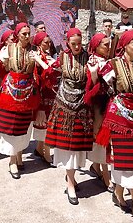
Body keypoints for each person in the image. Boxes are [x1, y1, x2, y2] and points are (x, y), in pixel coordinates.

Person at [95, 31, 133, 223]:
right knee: (129, 160)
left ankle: (118, 192)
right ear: (125, 45)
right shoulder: (112, 65)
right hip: (120, 117)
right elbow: (101, 88)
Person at [43, 28, 93, 205]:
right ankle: (70, 183)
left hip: (82, 107)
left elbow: (93, 80)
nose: (78, 47)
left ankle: (70, 177)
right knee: (68, 147)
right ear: (67, 43)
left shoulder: (89, 57)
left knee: (77, 146)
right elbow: (50, 74)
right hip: (64, 106)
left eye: (80, 43)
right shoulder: (62, 58)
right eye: (74, 44)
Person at [0, 22, 39, 179]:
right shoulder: (8, 49)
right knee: (12, 125)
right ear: (17, 35)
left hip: (28, 92)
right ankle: (12, 160)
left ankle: (20, 154)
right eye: (24, 34)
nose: (28, 36)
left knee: (24, 126)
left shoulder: (34, 50)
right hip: (11, 92)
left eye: (29, 33)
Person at [84, 32, 114, 193]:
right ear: (96, 46)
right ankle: (105, 175)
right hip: (98, 105)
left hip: (105, 103)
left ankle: (96, 166)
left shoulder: (105, 61)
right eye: (105, 45)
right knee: (102, 138)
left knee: (102, 139)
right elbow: (95, 84)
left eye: (110, 45)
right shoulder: (95, 61)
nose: (109, 48)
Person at [31, 32, 56, 167]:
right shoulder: (37, 57)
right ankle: (46, 153)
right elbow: (47, 72)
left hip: (49, 93)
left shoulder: (46, 56)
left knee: (46, 123)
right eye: (46, 42)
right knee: (45, 123)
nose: (48, 44)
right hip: (42, 92)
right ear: (39, 43)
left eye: (49, 42)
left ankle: (40, 149)